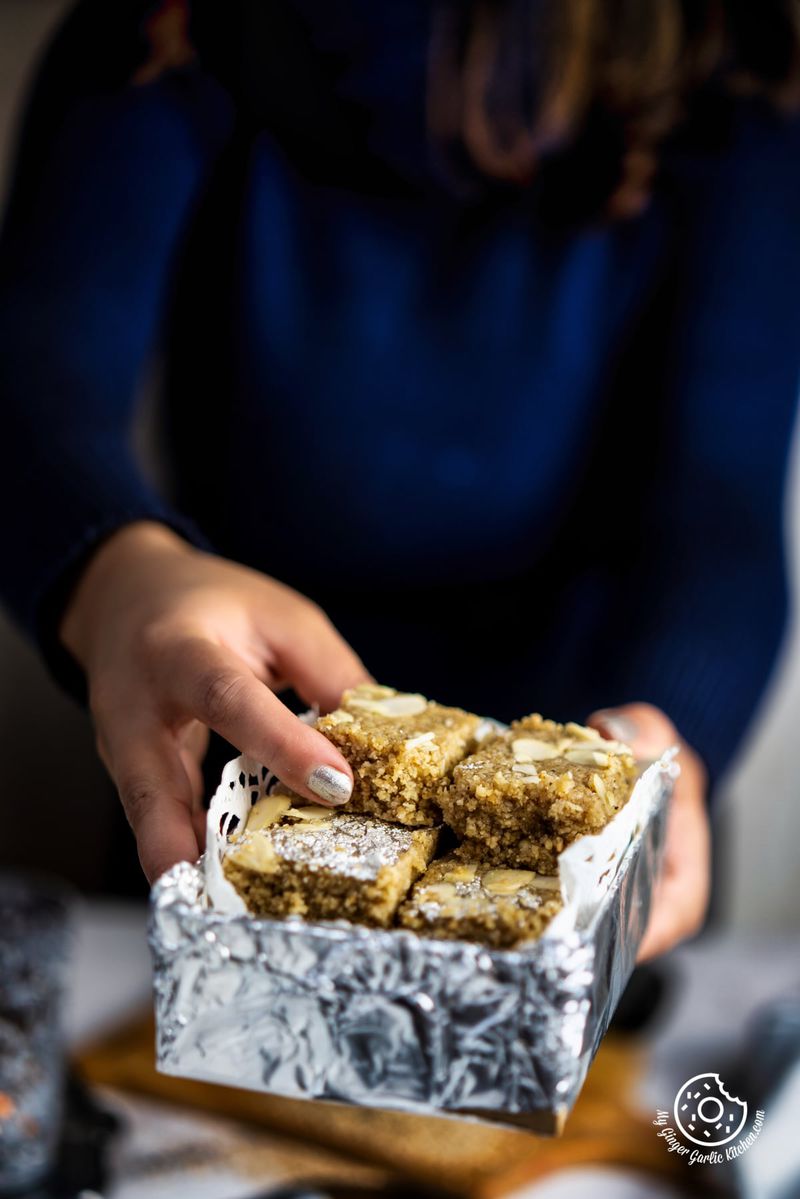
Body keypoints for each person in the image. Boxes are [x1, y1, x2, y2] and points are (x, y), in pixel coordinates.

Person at [1, 0, 798, 960]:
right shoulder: (172, 29)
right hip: (225, 742)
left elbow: (722, 506)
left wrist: (677, 733)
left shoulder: (732, 66)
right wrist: (119, 571)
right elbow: (33, 400)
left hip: (593, 756)